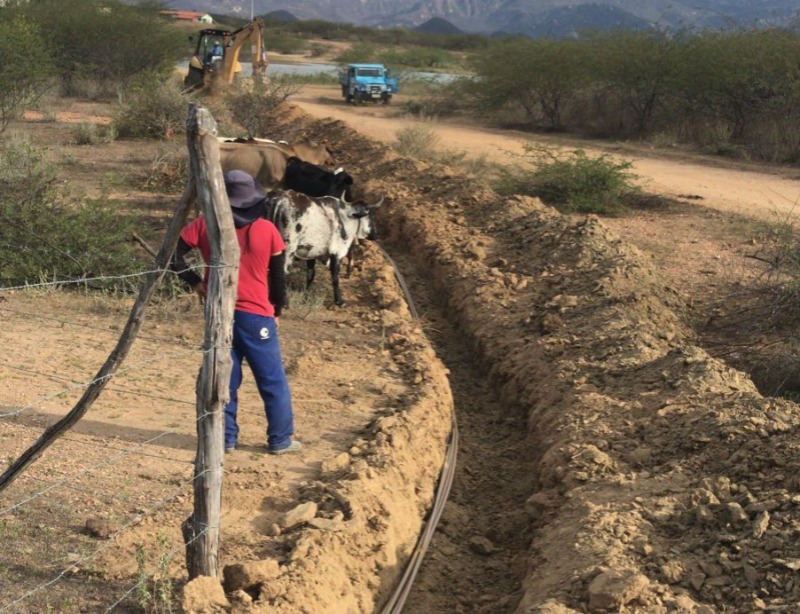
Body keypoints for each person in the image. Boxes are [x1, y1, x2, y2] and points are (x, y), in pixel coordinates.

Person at [171, 170, 301, 455]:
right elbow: (277, 278)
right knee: (272, 380)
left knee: (225, 378)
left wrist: (196, 283)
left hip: (219, 313)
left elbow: (173, 255)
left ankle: (225, 439)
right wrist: (276, 311)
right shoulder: (268, 230)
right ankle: (280, 439)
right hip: (257, 316)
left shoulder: (205, 225)